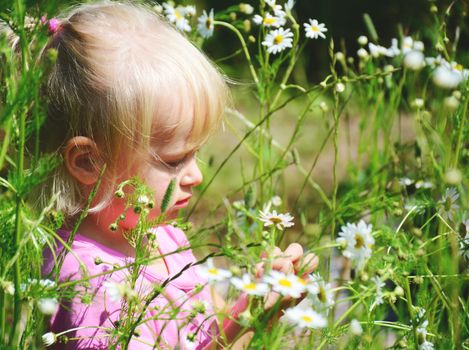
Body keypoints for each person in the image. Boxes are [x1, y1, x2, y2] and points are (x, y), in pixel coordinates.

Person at [36, 1, 317, 348]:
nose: (196, 176)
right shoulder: (90, 286)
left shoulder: (162, 237)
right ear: (88, 163)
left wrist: (256, 305)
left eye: (195, 154)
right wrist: (247, 323)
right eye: (174, 161)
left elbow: (208, 336)